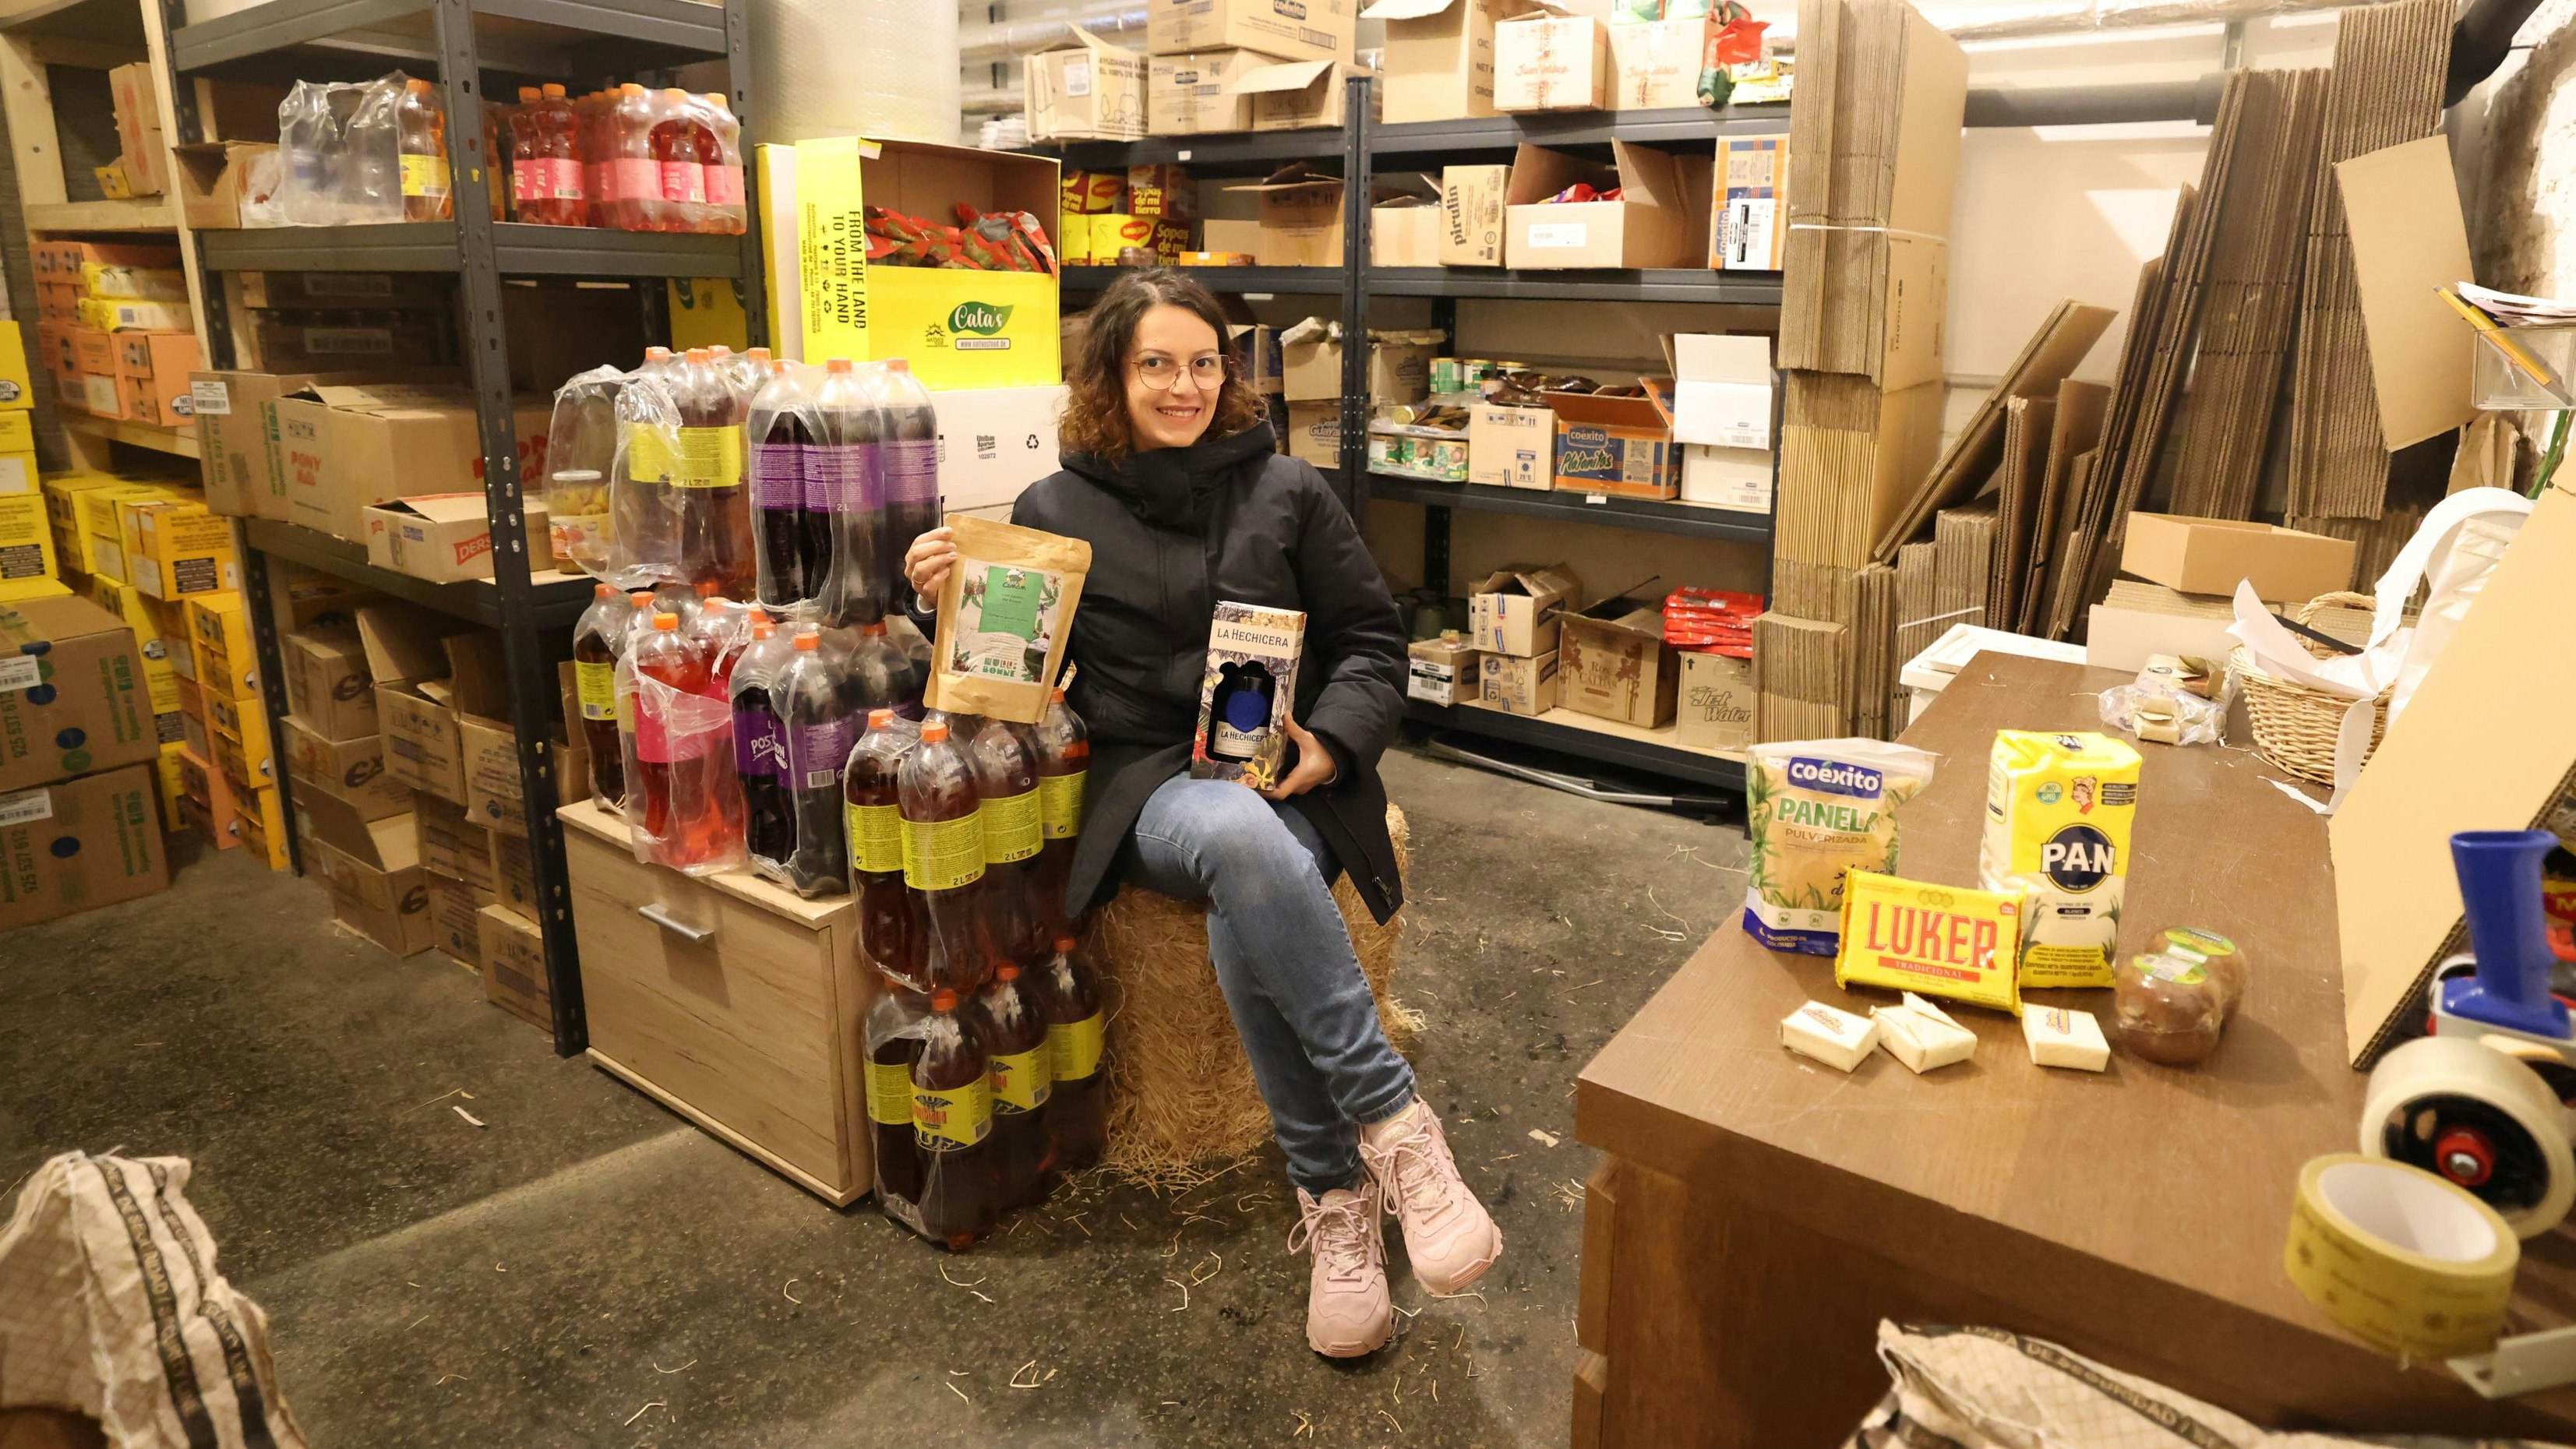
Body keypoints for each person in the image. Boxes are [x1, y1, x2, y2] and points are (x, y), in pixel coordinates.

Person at [903, 269, 1501, 1357]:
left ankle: (1336, 1203)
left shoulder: (1289, 490)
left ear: (1229, 374)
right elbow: (1004, 682)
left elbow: (1372, 641)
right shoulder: (1051, 510)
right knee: (1228, 833)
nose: (1183, 386)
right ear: (1111, 377)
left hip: (1288, 775)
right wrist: (941, 600)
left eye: (1203, 363)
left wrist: (1332, 743)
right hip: (1153, 785)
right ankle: (1396, 1122)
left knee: (1247, 890)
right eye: (1156, 365)